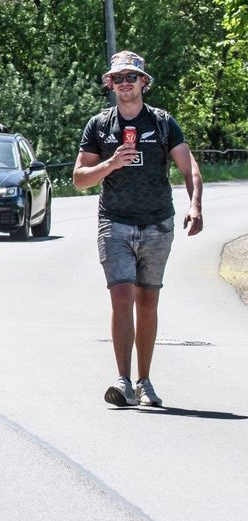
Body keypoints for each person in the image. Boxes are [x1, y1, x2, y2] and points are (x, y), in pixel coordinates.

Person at [72, 51, 203, 408]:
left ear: (144, 82)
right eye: (118, 78)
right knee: (121, 297)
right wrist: (111, 164)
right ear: (110, 84)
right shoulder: (99, 126)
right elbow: (79, 179)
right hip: (114, 222)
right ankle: (123, 381)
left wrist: (194, 205)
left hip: (158, 223)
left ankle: (144, 382)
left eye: (132, 77)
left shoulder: (162, 122)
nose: (125, 83)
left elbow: (188, 166)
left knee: (147, 302)